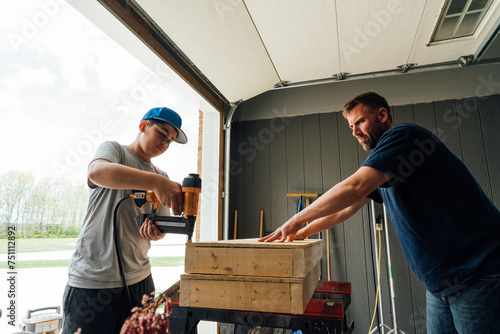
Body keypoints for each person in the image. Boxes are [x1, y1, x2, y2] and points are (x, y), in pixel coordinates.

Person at [259, 92, 500, 332]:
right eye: (351, 126)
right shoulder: (385, 166)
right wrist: (302, 232)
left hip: (478, 274)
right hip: (441, 285)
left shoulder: (403, 137)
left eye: (360, 122)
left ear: (382, 115)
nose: (355, 131)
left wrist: (295, 220)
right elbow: (345, 210)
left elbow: (355, 188)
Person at [62, 107, 188, 334]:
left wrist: (157, 233)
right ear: (143, 127)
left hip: (140, 281)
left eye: (169, 141)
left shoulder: (162, 177)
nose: (165, 143)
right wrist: (156, 183)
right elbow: (97, 172)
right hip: (92, 281)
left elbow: (161, 226)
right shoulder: (115, 151)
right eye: (161, 133)